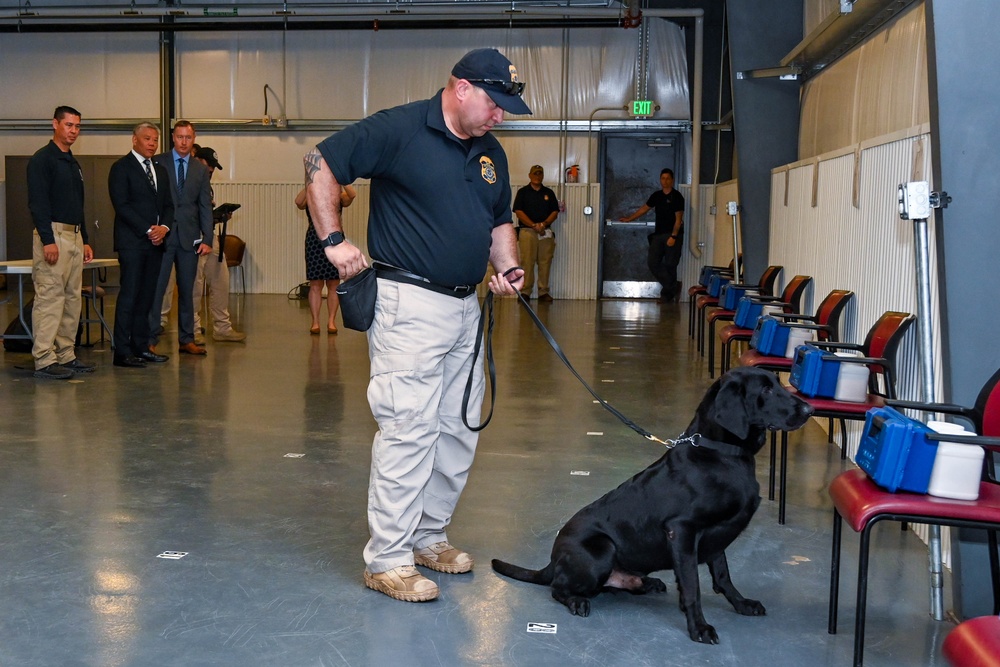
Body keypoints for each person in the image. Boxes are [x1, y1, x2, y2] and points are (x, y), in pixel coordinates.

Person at [304, 48, 529, 603]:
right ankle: (387, 559)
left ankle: (428, 537)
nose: (500, 114)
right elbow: (320, 162)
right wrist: (333, 241)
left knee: (457, 427)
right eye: (494, 103)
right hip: (408, 303)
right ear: (460, 88)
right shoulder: (401, 128)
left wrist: (510, 267)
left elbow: (499, 218)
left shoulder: (491, 154)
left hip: (465, 305)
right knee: (409, 430)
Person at [25, 105, 96, 380]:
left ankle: (66, 354)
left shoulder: (72, 162)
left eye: (78, 126)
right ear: (55, 124)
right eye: (69, 125)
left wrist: (85, 239)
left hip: (74, 236)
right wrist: (47, 240)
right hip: (54, 235)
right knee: (50, 298)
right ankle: (44, 359)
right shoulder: (42, 160)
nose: (74, 131)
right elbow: (38, 203)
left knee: (71, 300)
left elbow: (78, 204)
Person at [107, 123, 173, 368]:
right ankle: (122, 351)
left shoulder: (160, 169)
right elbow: (122, 206)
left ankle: (141, 346)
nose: (152, 144)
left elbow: (168, 206)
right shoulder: (121, 168)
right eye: (147, 139)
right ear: (134, 140)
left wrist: (163, 228)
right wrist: (148, 229)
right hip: (132, 243)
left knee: (147, 297)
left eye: (155, 140)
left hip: (156, 243)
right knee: (129, 296)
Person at [149, 120, 213, 356]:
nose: (184, 142)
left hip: (189, 239)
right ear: (173, 138)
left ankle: (187, 339)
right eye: (180, 137)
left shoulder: (199, 169)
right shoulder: (159, 162)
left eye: (188, 137)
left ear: (193, 138)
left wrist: (208, 237)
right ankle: (150, 338)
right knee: (157, 289)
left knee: (187, 290)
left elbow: (205, 205)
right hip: (162, 237)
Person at [190, 146, 246, 344]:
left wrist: (218, 217)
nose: (211, 172)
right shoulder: (186, 182)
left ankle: (222, 327)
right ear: (196, 161)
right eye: (208, 167)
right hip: (192, 239)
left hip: (210, 237)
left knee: (221, 281)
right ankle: (192, 330)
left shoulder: (207, 184)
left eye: (213, 169)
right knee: (194, 286)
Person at [294, 183, 357, 334]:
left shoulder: (339, 196)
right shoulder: (311, 195)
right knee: (315, 283)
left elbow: (352, 194)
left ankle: (331, 321)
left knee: (334, 283)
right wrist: (311, 181)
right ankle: (315, 322)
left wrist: (340, 178)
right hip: (315, 240)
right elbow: (298, 202)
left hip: (335, 239)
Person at [620, 167, 685, 302]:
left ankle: (667, 296)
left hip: (672, 235)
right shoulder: (657, 196)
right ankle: (674, 286)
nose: (665, 181)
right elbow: (644, 208)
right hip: (658, 235)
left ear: (672, 180)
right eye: (663, 178)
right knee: (653, 262)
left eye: (668, 178)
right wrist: (629, 218)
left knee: (670, 265)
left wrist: (673, 236)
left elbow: (679, 219)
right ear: (660, 180)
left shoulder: (677, 197)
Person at [512, 164, 560, 302]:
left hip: (545, 231)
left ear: (543, 176)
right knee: (527, 262)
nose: (537, 176)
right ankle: (525, 291)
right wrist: (533, 225)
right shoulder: (522, 192)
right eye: (535, 174)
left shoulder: (549, 193)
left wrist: (543, 224)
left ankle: (543, 292)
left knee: (545, 262)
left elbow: (555, 212)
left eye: (540, 174)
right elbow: (519, 212)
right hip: (527, 231)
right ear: (529, 175)